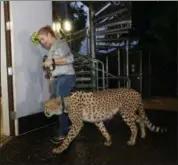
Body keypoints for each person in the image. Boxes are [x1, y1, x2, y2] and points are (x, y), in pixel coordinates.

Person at [38, 25, 76, 144]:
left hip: (66, 77)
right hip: (60, 78)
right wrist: (50, 73)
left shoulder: (60, 43)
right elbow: (55, 65)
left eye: (43, 39)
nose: (42, 42)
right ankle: (67, 127)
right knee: (58, 103)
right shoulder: (53, 47)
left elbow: (70, 59)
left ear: (49, 34)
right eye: (40, 41)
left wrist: (52, 61)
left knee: (60, 105)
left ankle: (62, 134)